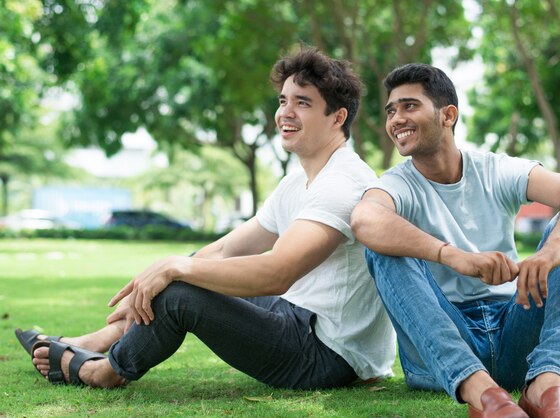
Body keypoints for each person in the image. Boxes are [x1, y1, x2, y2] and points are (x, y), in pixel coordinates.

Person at [18, 47, 396, 390]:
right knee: (195, 263)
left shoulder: (343, 183)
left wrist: (174, 270)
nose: (285, 113)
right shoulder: (299, 181)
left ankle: (102, 371)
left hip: (328, 355)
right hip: (298, 316)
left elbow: (277, 273)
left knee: (182, 289)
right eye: (283, 101)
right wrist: (160, 276)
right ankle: (99, 339)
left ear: (337, 117)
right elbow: (227, 249)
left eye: (303, 103)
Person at [350, 63, 560, 418]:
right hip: (442, 350)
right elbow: (364, 219)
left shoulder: (494, 169)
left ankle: (547, 384)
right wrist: (452, 256)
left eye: (409, 106)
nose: (395, 119)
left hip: (516, 332)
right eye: (391, 110)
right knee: (382, 245)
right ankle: (482, 394)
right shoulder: (396, 184)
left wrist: (551, 250)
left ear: (448, 115)